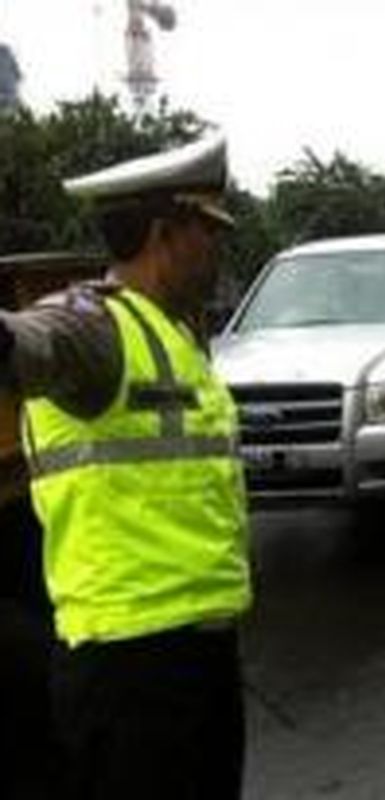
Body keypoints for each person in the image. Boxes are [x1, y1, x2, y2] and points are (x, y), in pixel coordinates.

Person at [0, 134, 252, 799]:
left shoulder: (172, 332)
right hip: (131, 671)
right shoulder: (92, 328)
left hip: (198, 658)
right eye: (208, 231)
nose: (217, 247)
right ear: (166, 234)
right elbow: (31, 342)